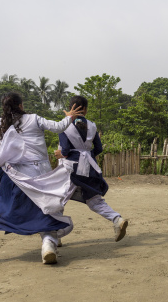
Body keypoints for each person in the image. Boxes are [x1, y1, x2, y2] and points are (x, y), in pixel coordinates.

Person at [0, 92, 83, 264]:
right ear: (21, 106)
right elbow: (58, 127)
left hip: (11, 175)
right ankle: (48, 245)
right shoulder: (34, 119)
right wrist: (70, 117)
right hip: (38, 173)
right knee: (47, 211)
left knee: (0, 203)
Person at [54, 96, 128, 242]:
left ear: (70, 109)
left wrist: (61, 154)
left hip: (70, 169)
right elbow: (99, 148)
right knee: (94, 200)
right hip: (89, 167)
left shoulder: (64, 126)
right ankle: (117, 219)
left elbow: (66, 150)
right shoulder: (92, 126)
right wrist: (88, 156)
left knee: (58, 200)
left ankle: (54, 236)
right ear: (86, 110)